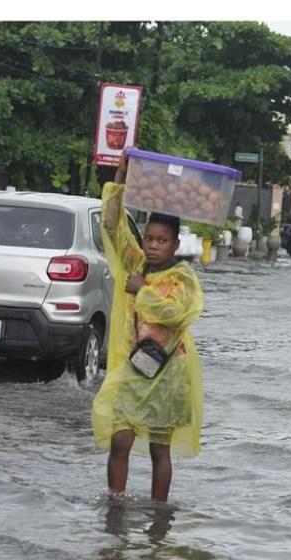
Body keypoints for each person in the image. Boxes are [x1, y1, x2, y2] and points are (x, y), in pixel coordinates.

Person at [92, 152, 205, 502]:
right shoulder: (134, 263)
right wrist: (120, 177)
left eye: (161, 241)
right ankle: (115, 503)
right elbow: (112, 226)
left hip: (169, 373)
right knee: (120, 438)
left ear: (175, 244)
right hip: (133, 367)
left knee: (160, 450)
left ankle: (159, 515)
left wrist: (142, 292)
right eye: (149, 239)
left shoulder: (182, 277)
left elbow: (178, 314)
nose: (153, 246)